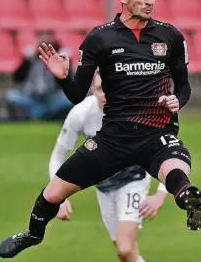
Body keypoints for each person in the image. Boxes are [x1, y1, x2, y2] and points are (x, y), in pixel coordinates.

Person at [0, 0, 201, 260]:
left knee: (175, 164)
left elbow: (184, 87)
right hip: (113, 139)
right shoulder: (100, 38)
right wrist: (61, 76)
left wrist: (177, 101)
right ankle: (32, 235)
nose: (149, 1)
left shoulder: (169, 36)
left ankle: (188, 197)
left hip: (156, 132)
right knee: (53, 193)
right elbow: (75, 94)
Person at [49, 70, 168, 262]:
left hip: (133, 180)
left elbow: (164, 151)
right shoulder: (81, 113)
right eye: (99, 89)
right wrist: (58, 197)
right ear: (93, 90)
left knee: (124, 247)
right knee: (126, 255)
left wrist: (160, 194)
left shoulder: (136, 112)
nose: (105, 95)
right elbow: (58, 155)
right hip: (103, 187)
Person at [5, 31, 72, 121]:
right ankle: (43, 115)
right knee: (11, 96)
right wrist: (27, 60)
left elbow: (68, 82)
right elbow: (17, 78)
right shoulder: (29, 58)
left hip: (51, 98)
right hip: (31, 98)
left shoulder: (60, 57)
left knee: (68, 99)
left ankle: (38, 115)